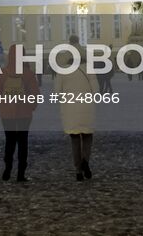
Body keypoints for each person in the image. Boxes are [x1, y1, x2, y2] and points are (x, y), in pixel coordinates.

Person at [0, 44, 40, 182]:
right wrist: (31, 106)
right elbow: (35, 93)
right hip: (24, 114)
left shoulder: (3, 72)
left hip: (7, 113)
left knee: (9, 141)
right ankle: (21, 173)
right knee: (23, 142)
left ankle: (7, 169)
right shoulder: (28, 73)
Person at [56, 36, 96, 181]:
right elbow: (96, 90)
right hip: (86, 107)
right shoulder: (88, 68)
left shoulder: (63, 70)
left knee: (74, 139)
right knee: (87, 136)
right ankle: (85, 161)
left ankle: (78, 171)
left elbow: (57, 92)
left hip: (70, 109)